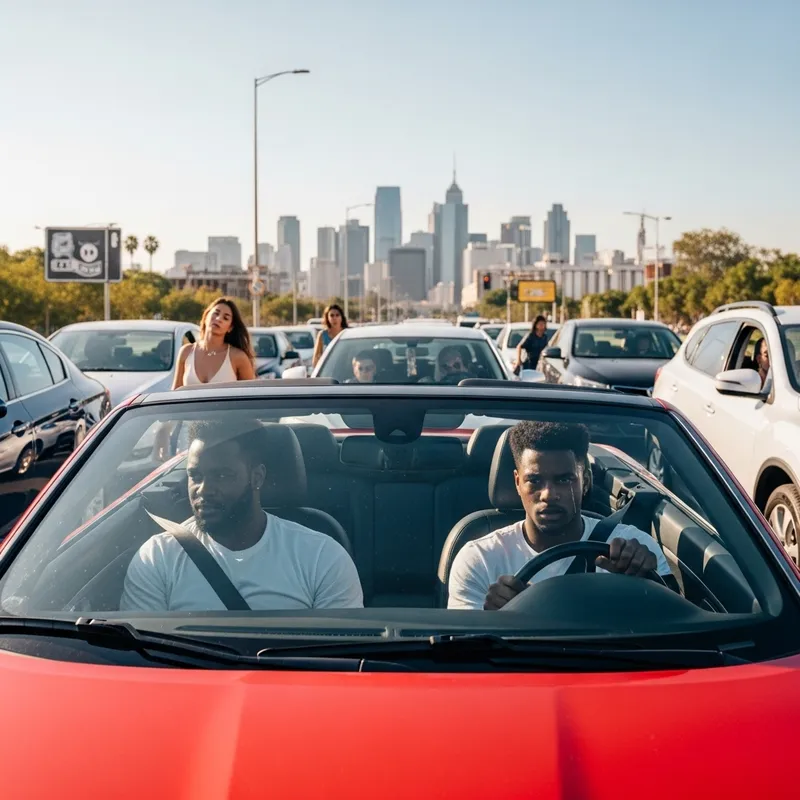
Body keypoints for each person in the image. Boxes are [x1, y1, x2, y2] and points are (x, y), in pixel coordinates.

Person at [122, 420, 364, 612]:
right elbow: (139, 660)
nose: (203, 489)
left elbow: (338, 664)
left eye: (222, 475)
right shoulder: (157, 558)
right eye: (195, 476)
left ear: (257, 477)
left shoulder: (322, 558)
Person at [448, 420, 675, 610]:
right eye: (534, 481)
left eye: (564, 480)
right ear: (517, 482)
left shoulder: (632, 551)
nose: (548, 495)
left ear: (585, 481)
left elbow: (672, 637)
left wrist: (643, 588)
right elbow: (461, 656)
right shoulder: (480, 559)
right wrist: (491, 621)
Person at [173, 297, 255, 388]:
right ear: (206, 316)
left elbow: (251, 395)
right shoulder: (186, 352)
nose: (219, 319)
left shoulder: (238, 357)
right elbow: (175, 393)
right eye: (216, 313)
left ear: (230, 328)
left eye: (225, 318)